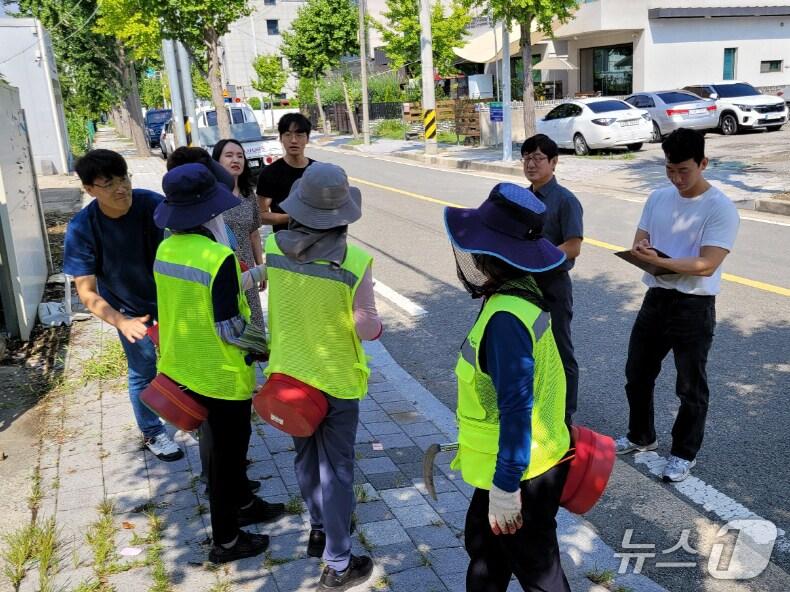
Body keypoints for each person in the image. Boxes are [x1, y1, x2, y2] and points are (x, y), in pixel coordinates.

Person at [153, 163, 285, 563]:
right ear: (209, 210)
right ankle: (227, 541)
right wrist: (266, 345)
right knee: (226, 460)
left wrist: (267, 270)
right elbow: (229, 327)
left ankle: (244, 505)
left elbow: (205, 293)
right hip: (221, 374)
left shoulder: (168, 247)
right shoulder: (217, 256)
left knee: (217, 453)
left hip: (184, 366)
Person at [444, 183, 573, 592]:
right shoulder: (521, 294)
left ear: (491, 256)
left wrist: (505, 487)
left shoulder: (505, 320)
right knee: (485, 552)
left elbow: (517, 408)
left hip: (520, 473)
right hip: (526, 463)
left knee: (540, 574)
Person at [264, 162, 381, 590]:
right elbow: (366, 325)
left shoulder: (275, 246)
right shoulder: (354, 260)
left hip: (289, 375)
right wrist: (376, 325)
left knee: (304, 456)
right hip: (335, 381)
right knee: (337, 469)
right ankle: (338, 561)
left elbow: (263, 282)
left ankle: (318, 528)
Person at [615, 128, 739, 483]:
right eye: (670, 169)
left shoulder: (720, 208)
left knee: (690, 385)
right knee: (637, 373)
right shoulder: (657, 198)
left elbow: (708, 263)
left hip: (694, 305)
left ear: (703, 163)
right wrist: (643, 253)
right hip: (656, 298)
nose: (676, 178)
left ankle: (684, 453)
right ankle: (641, 436)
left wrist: (664, 263)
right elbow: (640, 241)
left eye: (684, 170)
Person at [64, 149, 182, 461]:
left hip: (171, 301)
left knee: (184, 362)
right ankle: (152, 431)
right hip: (128, 310)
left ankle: (187, 414)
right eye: (109, 183)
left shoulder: (153, 204)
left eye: (124, 178)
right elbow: (87, 293)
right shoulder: (82, 228)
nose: (122, 188)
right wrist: (121, 321)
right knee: (143, 369)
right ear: (90, 190)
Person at [521, 134, 583, 424]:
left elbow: (573, 246)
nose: (531, 164)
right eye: (526, 157)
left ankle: (564, 415)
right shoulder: (520, 198)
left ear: (554, 162)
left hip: (553, 286)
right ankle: (537, 405)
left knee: (559, 351)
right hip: (522, 286)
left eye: (538, 158)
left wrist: (540, 258)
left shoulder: (566, 201)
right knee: (528, 349)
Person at [212, 139, 266, 330]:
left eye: (240, 156)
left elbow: (254, 234)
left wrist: (260, 266)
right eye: (229, 155)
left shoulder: (247, 194)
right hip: (221, 270)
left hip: (247, 269)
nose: (236, 160)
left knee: (253, 324)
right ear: (217, 162)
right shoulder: (212, 196)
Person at [256, 113, 314, 232]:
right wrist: (293, 218)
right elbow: (261, 215)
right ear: (281, 138)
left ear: (307, 139)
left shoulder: (318, 170)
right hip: (284, 244)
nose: (293, 140)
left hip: (318, 242)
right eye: (288, 135)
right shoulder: (269, 173)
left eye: (299, 135)